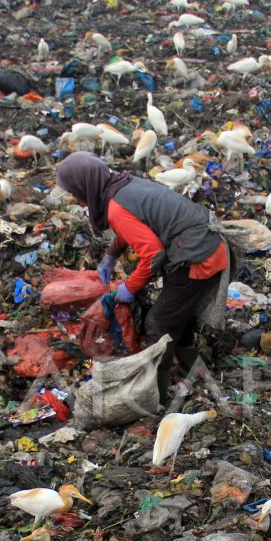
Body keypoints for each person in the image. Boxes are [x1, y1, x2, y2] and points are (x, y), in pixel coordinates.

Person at [56, 152, 231, 405]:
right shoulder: (123, 185)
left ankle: (156, 396)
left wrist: (131, 286)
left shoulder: (116, 206)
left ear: (85, 185)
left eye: (73, 191)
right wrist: (112, 253)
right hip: (200, 245)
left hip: (197, 255)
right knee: (176, 316)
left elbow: (153, 253)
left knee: (158, 324)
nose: (74, 197)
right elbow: (138, 224)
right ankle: (193, 370)